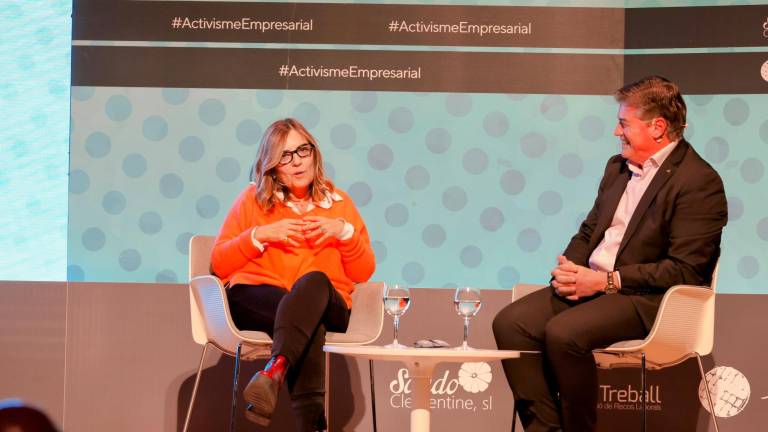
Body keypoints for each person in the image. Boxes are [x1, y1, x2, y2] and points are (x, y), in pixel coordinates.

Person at [492, 76, 728, 432]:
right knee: (511, 324)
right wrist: (569, 268)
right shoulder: (616, 168)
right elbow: (591, 230)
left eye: (624, 124)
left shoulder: (699, 182)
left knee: (563, 334)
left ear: (658, 127)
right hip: (594, 285)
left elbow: (685, 270)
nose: (617, 133)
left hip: (648, 300)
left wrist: (607, 281)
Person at [211, 118, 375, 431]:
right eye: (285, 156)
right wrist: (259, 234)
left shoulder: (338, 203)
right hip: (260, 297)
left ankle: (274, 369)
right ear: (271, 166)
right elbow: (220, 263)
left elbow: (363, 271)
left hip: (329, 301)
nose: (297, 161)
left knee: (313, 284)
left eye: (303, 150)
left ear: (315, 153)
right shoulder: (253, 200)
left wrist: (344, 233)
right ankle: (311, 423)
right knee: (305, 323)